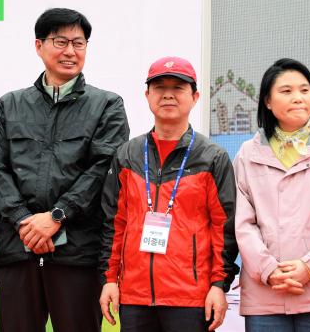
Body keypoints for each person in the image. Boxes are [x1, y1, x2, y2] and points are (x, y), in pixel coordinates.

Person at [0, 8, 129, 332]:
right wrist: (24, 221)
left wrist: (57, 216)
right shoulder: (10, 104)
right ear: (39, 46)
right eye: (60, 42)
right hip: (18, 251)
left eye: (79, 43)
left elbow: (102, 169)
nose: (70, 51)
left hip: (77, 253)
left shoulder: (107, 105)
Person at [99, 56, 238, 332]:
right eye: (160, 87)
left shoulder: (212, 157)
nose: (168, 95)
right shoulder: (127, 155)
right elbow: (113, 223)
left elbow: (224, 228)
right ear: (147, 95)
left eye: (178, 87)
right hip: (134, 297)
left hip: (191, 298)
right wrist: (109, 279)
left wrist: (218, 285)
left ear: (195, 97)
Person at [234, 58, 310, 332]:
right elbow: (243, 224)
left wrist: (309, 267)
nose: (298, 97)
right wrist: (269, 270)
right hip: (266, 294)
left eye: (305, 90)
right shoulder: (247, 154)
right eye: (286, 91)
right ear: (268, 101)